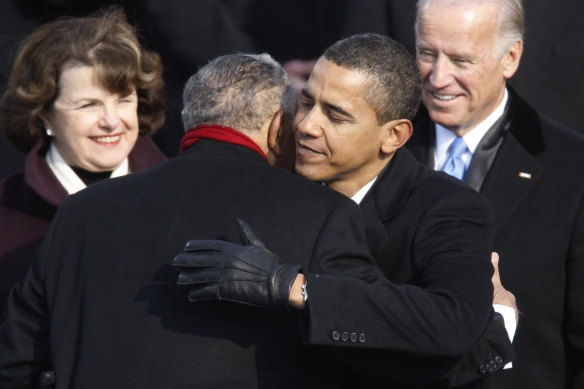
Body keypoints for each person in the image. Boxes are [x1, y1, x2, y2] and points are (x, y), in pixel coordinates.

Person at [0, 52, 386, 388]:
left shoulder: (80, 211)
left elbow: (16, 358)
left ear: (192, 121)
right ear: (276, 130)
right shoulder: (322, 213)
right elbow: (375, 339)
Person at [172, 34, 515, 388]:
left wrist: (295, 288)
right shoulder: (275, 183)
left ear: (394, 135)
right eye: (306, 102)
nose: (306, 126)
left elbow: (451, 323)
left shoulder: (449, 208)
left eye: (336, 116)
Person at [405, 1, 584, 388]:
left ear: (510, 57)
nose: (438, 78)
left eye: (461, 60)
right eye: (426, 54)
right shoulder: (379, 145)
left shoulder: (573, 171)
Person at [0, 7, 167, 320]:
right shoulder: (6, 215)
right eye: (89, 105)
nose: (111, 121)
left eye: (124, 100)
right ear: (44, 114)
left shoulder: (182, 197)